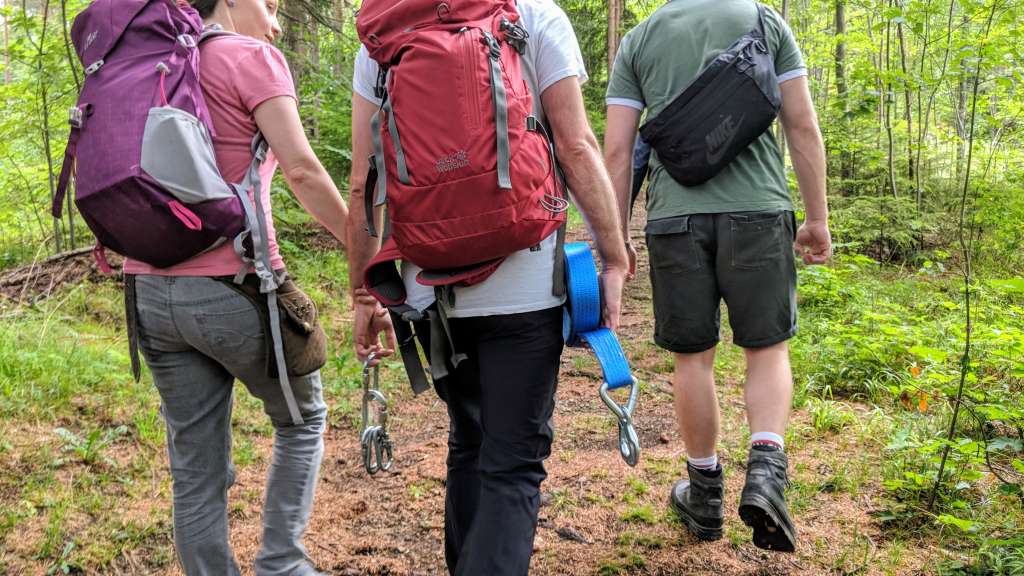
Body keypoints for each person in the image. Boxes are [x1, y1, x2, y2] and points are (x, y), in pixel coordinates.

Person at [347, 1, 630, 573]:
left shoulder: (384, 32)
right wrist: (615, 256)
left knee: (469, 444)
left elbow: (362, 182)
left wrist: (362, 295)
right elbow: (576, 148)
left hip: (427, 288)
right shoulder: (535, 15)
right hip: (524, 283)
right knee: (513, 464)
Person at [126, 1, 350, 574]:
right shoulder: (252, 59)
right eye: (269, 5)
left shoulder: (144, 61)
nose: (275, 22)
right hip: (236, 285)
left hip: (147, 291)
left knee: (193, 468)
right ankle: (281, 563)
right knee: (303, 421)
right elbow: (301, 169)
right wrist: (361, 244)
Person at [604, 0, 832, 552]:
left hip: (674, 219)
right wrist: (817, 217)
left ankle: (704, 492)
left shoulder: (639, 39)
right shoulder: (764, 22)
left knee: (693, 357)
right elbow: (801, 126)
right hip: (759, 213)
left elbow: (615, 150)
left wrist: (614, 243)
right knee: (768, 349)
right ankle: (766, 471)